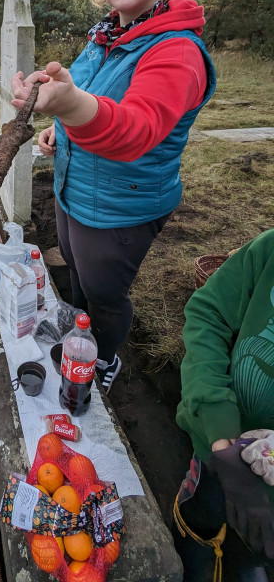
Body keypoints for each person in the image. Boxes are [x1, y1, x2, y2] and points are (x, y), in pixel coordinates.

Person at [11, 0, 216, 392]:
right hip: (73, 190)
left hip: (120, 207)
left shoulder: (176, 50)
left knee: (105, 294)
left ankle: (104, 359)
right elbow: (86, 98)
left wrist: (72, 107)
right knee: (78, 274)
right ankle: (83, 333)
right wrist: (60, 127)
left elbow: (137, 130)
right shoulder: (106, 37)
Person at [174, 229, 274, 581]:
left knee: (251, 558)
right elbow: (208, 312)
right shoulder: (268, 253)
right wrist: (219, 430)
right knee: (200, 521)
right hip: (219, 453)